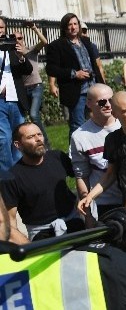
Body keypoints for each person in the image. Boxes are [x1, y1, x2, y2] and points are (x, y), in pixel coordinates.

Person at [2, 122, 81, 242]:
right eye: (31, 137)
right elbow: (10, 223)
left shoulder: (58, 157)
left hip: (75, 223)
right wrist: (29, 248)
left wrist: (89, 214)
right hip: (42, 234)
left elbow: (83, 177)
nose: (38, 139)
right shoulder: (12, 178)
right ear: (18, 145)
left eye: (39, 134)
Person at [69, 84, 123, 220]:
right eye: (102, 102)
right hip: (105, 202)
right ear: (89, 104)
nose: (108, 105)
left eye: (111, 100)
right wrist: (88, 212)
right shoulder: (80, 136)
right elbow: (81, 175)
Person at [44, 13, 98, 135]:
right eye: (69, 25)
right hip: (76, 92)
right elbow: (51, 69)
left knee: (97, 122)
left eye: (75, 24)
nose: (73, 27)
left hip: (93, 89)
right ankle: (74, 153)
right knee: (77, 126)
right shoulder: (57, 46)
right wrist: (74, 73)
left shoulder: (85, 41)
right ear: (64, 27)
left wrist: (101, 84)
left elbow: (94, 65)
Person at [0, 18, 33, 172]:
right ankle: (7, 176)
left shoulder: (12, 46)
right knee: (4, 139)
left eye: (1, 27)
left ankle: (20, 173)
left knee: (19, 137)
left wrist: (21, 56)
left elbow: (27, 70)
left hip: (15, 99)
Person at [17, 23, 49, 146]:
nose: (18, 41)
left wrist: (34, 28)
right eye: (15, 39)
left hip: (36, 86)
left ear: (23, 39)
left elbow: (44, 41)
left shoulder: (31, 50)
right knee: (28, 117)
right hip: (24, 90)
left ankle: (45, 143)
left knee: (34, 115)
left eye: (20, 38)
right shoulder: (14, 55)